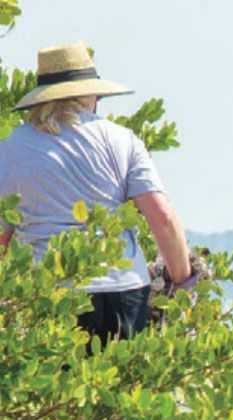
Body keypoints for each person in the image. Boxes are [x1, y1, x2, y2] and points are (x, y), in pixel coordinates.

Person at [0, 42, 192, 344]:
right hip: (125, 292)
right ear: (89, 95)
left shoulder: (9, 149)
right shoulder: (123, 140)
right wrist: (183, 281)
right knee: (120, 386)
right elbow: (161, 215)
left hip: (49, 293)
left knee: (59, 388)